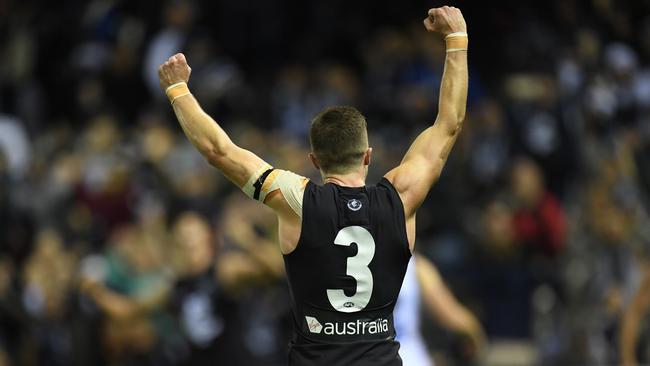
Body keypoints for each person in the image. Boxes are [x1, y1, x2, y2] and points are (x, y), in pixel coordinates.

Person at [157, 5, 468, 365]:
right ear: (367, 155)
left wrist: (177, 89)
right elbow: (449, 123)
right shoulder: (401, 197)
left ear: (314, 160)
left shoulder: (297, 201)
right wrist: (456, 38)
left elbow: (219, 151)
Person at [395, 254, 485, 366]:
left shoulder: (368, 264)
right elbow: (451, 315)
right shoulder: (415, 266)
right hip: (408, 356)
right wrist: (476, 334)